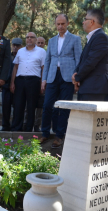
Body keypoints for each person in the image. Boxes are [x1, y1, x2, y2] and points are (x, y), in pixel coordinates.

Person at [39, 14, 82, 147]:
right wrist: (44, 79)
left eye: (63, 24)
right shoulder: (51, 41)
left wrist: (77, 79)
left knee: (64, 107)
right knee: (47, 106)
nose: (60, 26)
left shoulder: (75, 39)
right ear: (55, 24)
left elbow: (78, 59)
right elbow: (47, 60)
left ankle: (59, 135)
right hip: (52, 76)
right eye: (58, 24)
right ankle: (45, 133)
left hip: (68, 78)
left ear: (67, 24)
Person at [72, 9, 108, 101]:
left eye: (85, 19)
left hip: (94, 88)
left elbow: (91, 62)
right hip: (87, 87)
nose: (83, 22)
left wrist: (77, 77)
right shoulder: (92, 37)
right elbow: (83, 60)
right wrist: (75, 73)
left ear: (92, 22)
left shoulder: (101, 37)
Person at [10, 32, 46, 131]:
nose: (29, 39)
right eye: (27, 37)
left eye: (32, 37)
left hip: (33, 81)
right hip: (20, 80)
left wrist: (42, 83)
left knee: (31, 106)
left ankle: (28, 129)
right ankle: (16, 127)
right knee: (18, 105)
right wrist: (12, 82)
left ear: (35, 39)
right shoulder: (20, 51)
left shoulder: (41, 52)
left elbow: (43, 68)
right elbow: (15, 67)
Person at [0, 38, 22, 131]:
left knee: (18, 107)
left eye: (17, 45)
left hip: (19, 86)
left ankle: (15, 126)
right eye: (14, 45)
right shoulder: (7, 56)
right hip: (6, 85)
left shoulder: (23, 56)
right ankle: (5, 126)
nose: (15, 47)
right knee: (5, 107)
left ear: (21, 46)